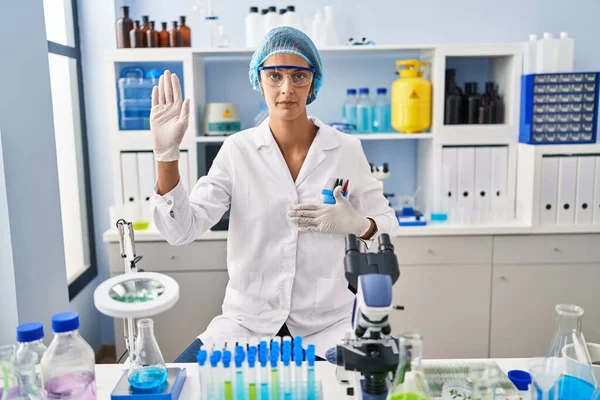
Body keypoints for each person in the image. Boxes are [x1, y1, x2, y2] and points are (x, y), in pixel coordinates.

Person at [150, 26, 398, 361]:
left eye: (298, 76)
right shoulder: (238, 150)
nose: (286, 88)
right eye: (275, 75)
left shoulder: (346, 149)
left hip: (327, 324)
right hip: (246, 324)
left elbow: (387, 225)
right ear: (259, 79)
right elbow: (181, 230)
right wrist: (166, 156)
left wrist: (359, 225)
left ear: (313, 82)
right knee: (180, 382)